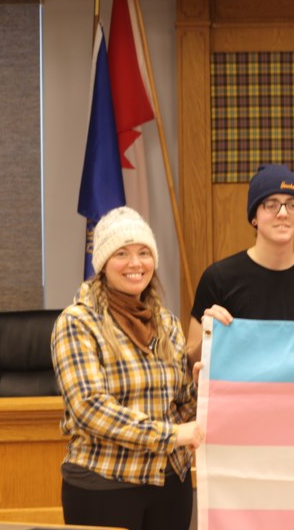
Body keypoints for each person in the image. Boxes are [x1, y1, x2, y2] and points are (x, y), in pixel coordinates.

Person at [52, 207, 203, 530]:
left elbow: (181, 404)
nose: (136, 264)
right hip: (104, 486)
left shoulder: (165, 321)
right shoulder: (77, 322)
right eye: (122, 253)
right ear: (104, 263)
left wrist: (206, 376)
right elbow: (90, 409)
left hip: (170, 486)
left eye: (144, 252)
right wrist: (172, 434)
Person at [189, 164, 294, 360]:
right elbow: (190, 359)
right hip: (239, 391)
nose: (283, 213)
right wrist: (210, 337)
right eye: (271, 204)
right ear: (254, 216)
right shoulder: (218, 278)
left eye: (293, 204)